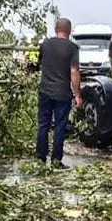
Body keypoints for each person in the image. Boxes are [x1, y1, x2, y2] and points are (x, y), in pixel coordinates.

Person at [36, 18, 82, 167]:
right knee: (59, 126)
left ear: (56, 29)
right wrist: (77, 95)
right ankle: (56, 160)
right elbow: (74, 71)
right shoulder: (72, 48)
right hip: (62, 93)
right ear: (70, 31)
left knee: (43, 124)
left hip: (45, 91)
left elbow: (40, 64)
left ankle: (40, 158)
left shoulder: (45, 45)